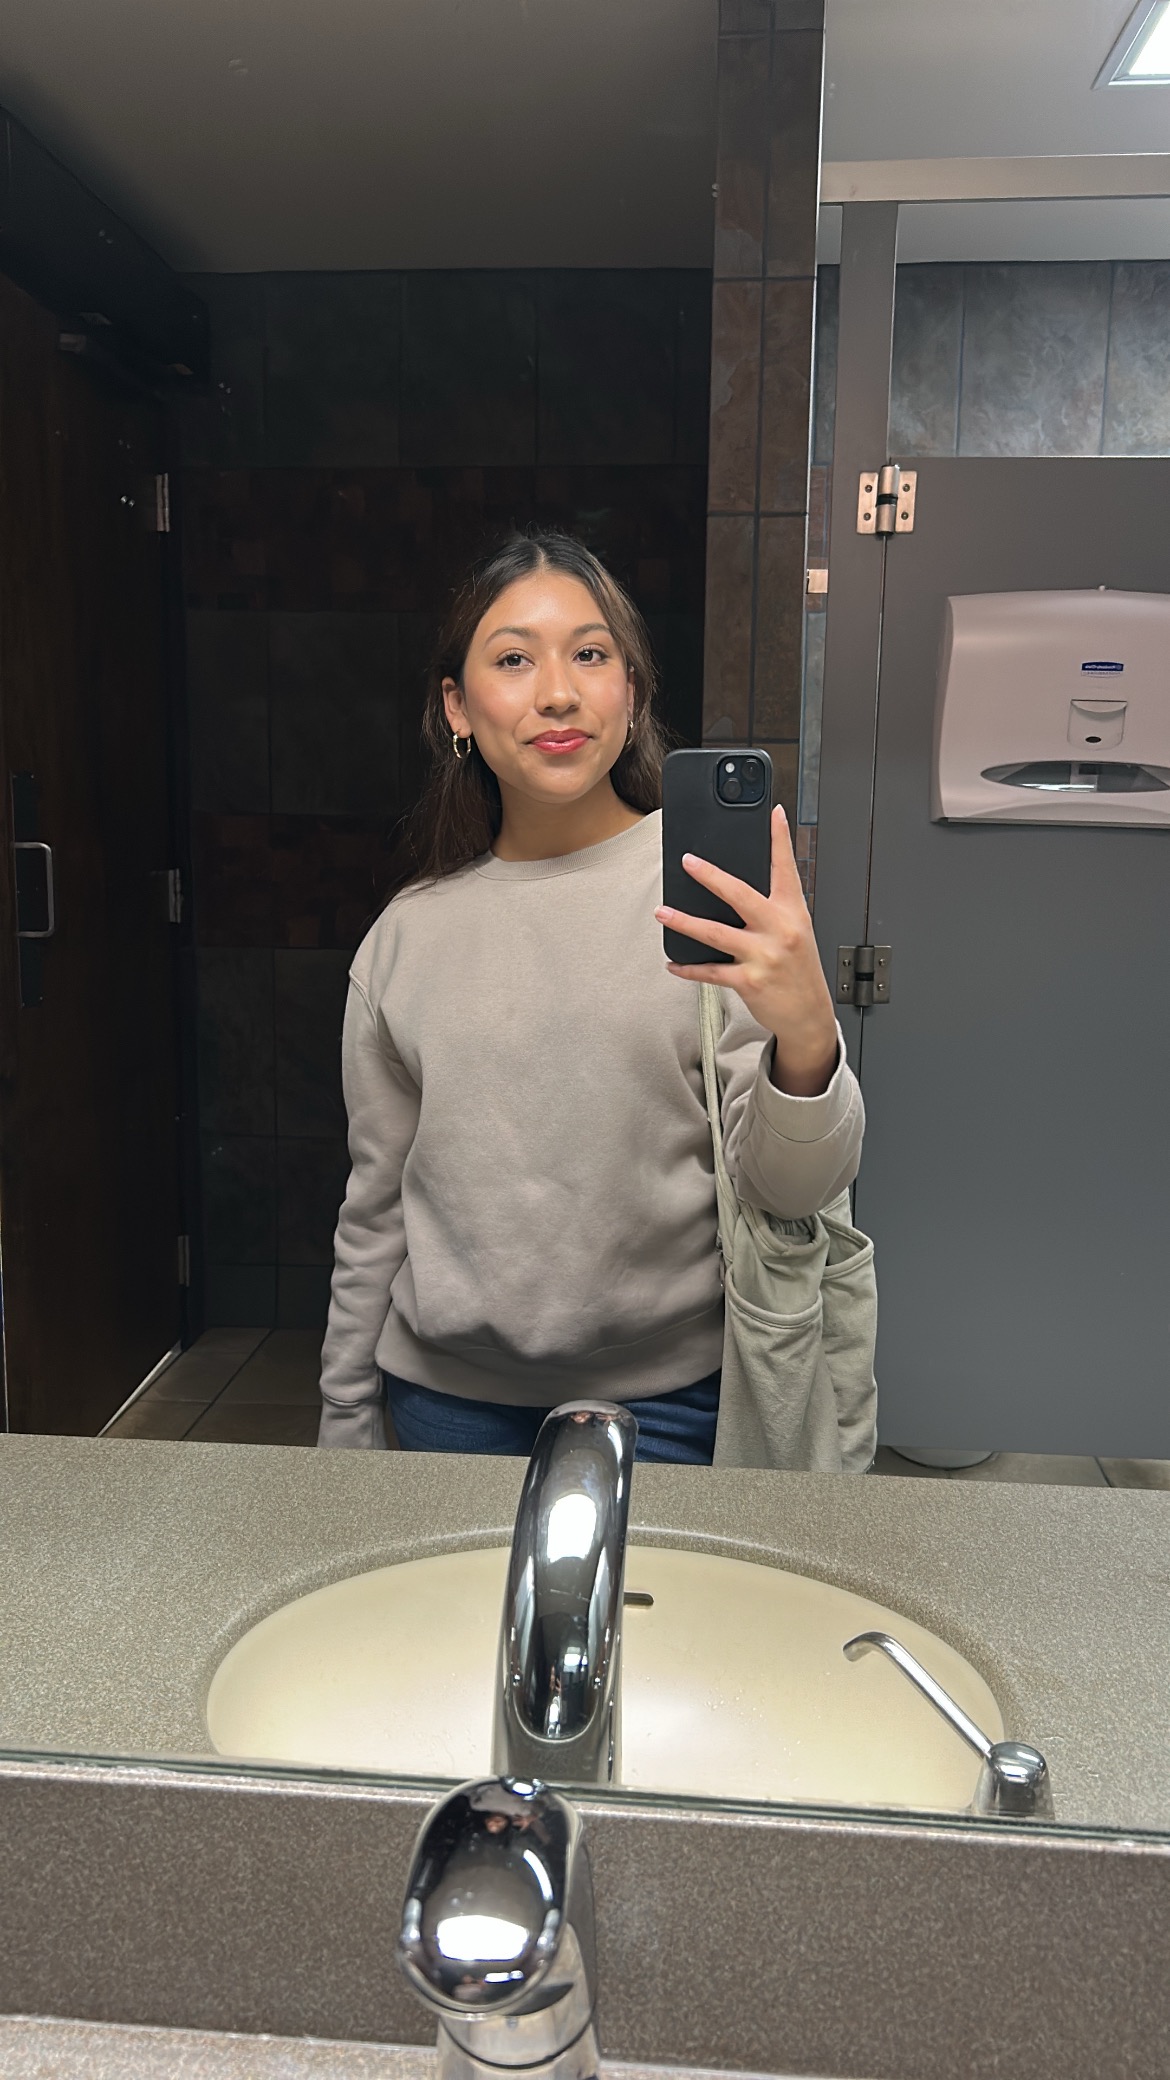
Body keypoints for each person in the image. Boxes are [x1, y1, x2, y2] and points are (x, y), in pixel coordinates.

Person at [317, 529, 863, 1463]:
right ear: (456, 706)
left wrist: (808, 1041)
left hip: (675, 1409)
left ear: (633, 695)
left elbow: (795, 1192)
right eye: (514, 659)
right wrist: (344, 1426)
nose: (558, 693)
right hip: (444, 1406)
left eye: (591, 655)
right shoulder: (406, 939)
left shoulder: (715, 901)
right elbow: (374, 1214)